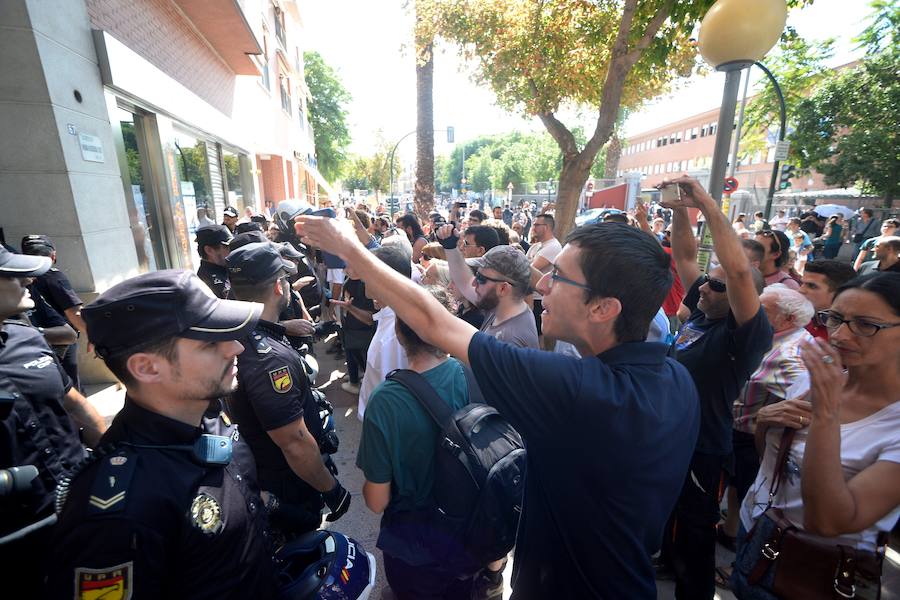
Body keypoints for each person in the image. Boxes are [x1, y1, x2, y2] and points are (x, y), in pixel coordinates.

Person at [295, 214, 700, 599]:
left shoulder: (578, 390)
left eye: (558, 278)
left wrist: (349, 247)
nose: (542, 287)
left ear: (603, 308)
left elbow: (434, 322)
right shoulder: (677, 378)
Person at [45, 270, 278, 599]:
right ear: (147, 367)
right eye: (212, 342)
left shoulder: (208, 411)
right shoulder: (118, 516)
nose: (235, 347)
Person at [731, 272, 900, 597]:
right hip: (757, 531)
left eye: (866, 325)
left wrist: (825, 413)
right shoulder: (816, 378)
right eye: (835, 319)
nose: (840, 335)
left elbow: (827, 522)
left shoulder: (887, 421)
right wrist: (765, 420)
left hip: (818, 572)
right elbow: (772, 455)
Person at [660, 176, 773, 600]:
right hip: (672, 435)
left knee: (695, 523)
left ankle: (695, 592)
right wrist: (678, 212)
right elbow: (687, 255)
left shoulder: (744, 334)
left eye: (718, 285)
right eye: (707, 281)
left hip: (703, 442)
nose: (704, 287)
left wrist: (707, 203)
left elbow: (740, 271)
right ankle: (669, 563)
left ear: (745, 298)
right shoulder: (704, 311)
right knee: (674, 511)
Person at [357, 285, 479, 599]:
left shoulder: (385, 401)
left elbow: (376, 501)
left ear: (399, 332)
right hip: (470, 534)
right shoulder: (473, 375)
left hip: (413, 547)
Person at [225, 243, 350, 539]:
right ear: (279, 288)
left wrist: (282, 328)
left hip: (265, 470)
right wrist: (331, 489)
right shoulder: (269, 361)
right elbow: (294, 442)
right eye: (284, 279)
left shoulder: (237, 332)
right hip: (286, 483)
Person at [0, 247, 106, 591]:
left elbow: (75, 405)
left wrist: (118, 460)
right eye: (13, 275)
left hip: (80, 507)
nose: (28, 281)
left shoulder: (27, 337)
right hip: (15, 537)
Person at [724, 285, 815, 543]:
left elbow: (809, 398)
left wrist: (773, 418)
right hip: (743, 433)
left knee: (748, 498)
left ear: (787, 319)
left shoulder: (789, 354)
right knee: (737, 489)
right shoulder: (782, 337)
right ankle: (730, 532)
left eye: (761, 309)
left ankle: (741, 557)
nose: (751, 311)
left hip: (750, 439)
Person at [439, 230, 538, 349]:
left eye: (481, 278)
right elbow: (465, 282)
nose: (474, 282)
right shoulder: (502, 305)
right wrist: (450, 247)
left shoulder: (510, 340)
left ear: (503, 288)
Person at [21, 235, 90, 390]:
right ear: (53, 255)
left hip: (36, 346)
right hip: (59, 340)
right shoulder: (53, 275)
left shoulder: (25, 278)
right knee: (70, 387)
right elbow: (74, 312)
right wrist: (94, 336)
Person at [358, 246, 412, 421]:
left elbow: (393, 397)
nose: (362, 277)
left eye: (367, 271)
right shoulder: (389, 318)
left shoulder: (395, 334)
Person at [525, 213, 562, 346]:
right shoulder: (536, 246)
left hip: (540, 299)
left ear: (546, 227)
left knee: (538, 338)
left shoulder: (553, 246)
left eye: (536, 225)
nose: (532, 227)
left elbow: (527, 269)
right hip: (530, 297)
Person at [798, 259, 857, 340]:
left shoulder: (848, 337)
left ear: (840, 293)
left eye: (811, 286)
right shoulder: (799, 318)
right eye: (802, 283)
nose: (801, 290)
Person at [195, 224, 234, 299]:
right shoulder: (208, 281)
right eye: (226, 247)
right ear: (209, 250)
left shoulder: (225, 269)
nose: (231, 250)